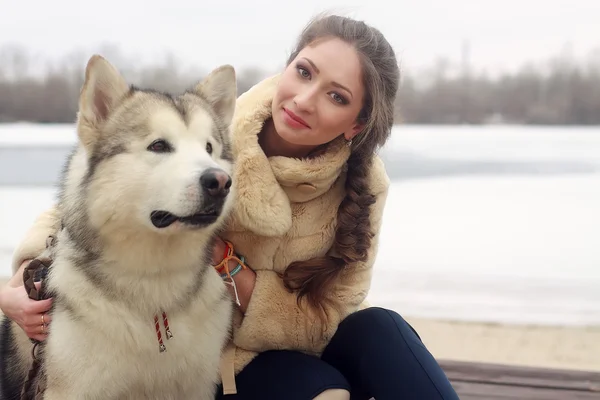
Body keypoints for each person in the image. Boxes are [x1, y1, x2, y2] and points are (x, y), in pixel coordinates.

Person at [0, 14, 459, 400]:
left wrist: (234, 270)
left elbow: (332, 313)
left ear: (355, 125)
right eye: (304, 71)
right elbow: (95, 200)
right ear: (287, 67)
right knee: (326, 392)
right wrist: (10, 289)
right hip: (218, 357)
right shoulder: (212, 132)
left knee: (381, 328)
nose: (304, 99)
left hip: (301, 339)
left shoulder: (365, 185)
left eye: (336, 96)